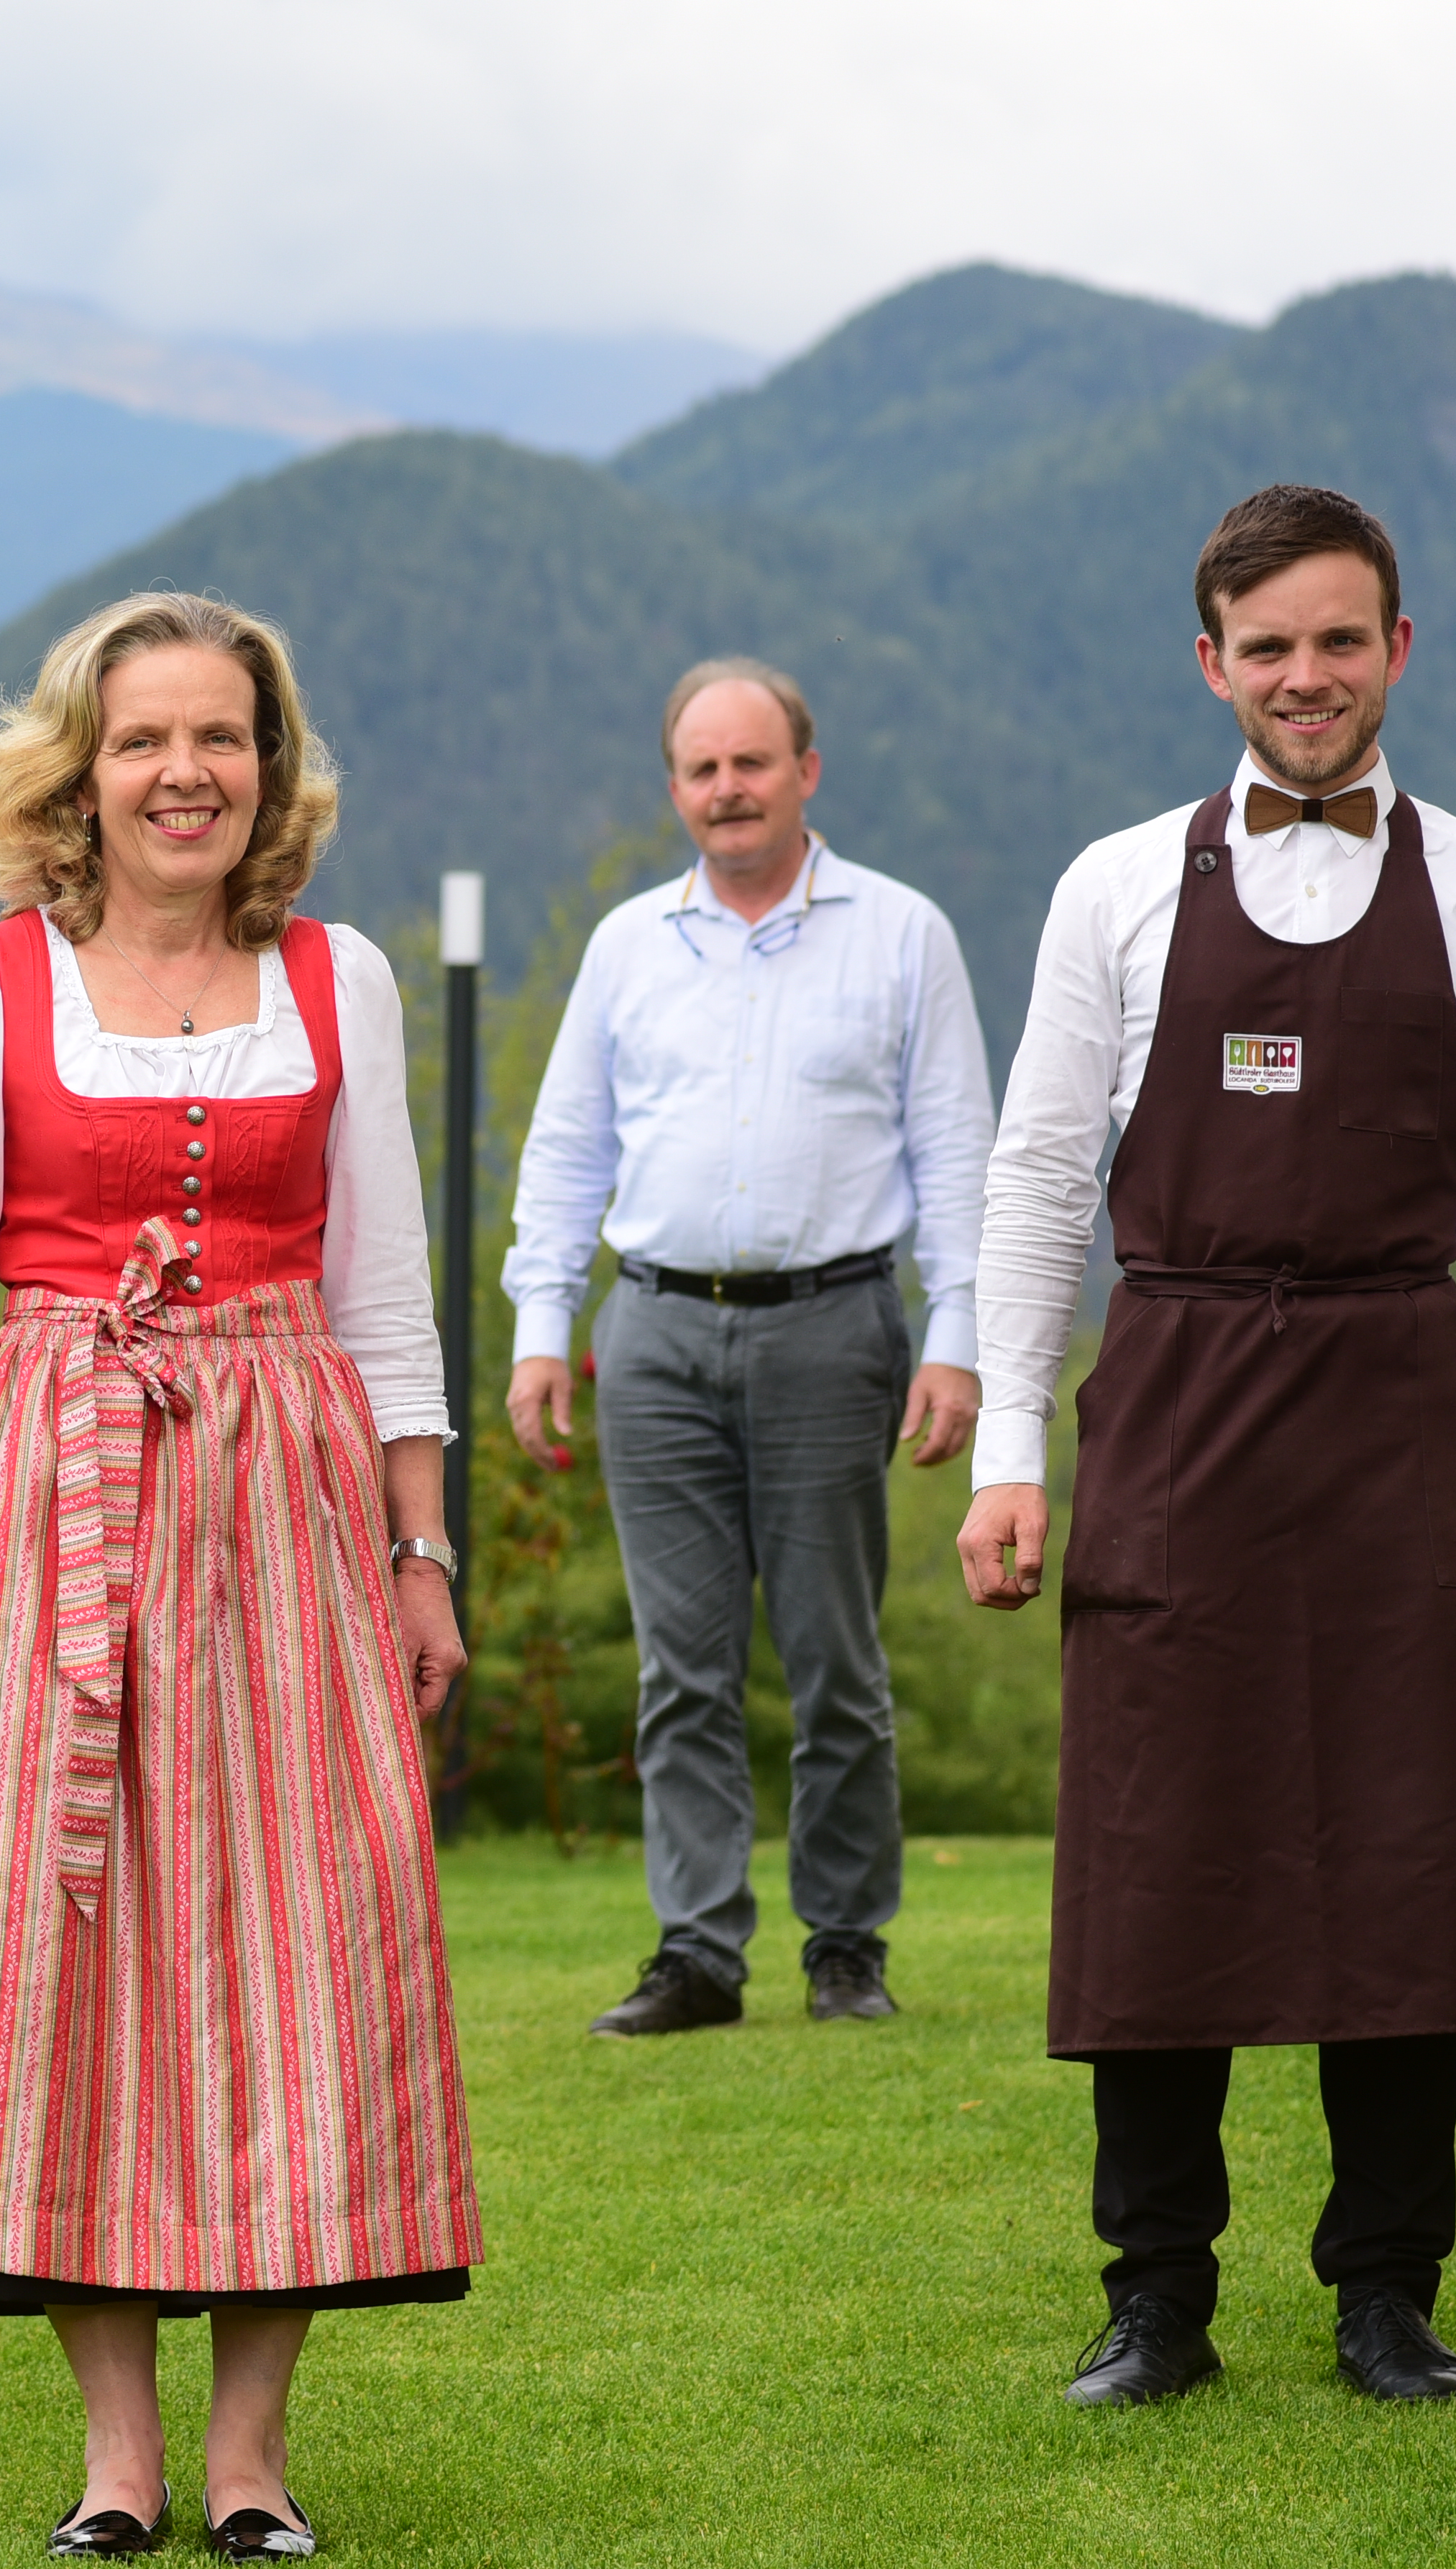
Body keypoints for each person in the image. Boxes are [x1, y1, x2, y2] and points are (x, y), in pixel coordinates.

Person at [0, 590, 481, 2564]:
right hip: (51, 1489)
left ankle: (251, 2455)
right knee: (63, 1950)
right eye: (144, 740)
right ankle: (119, 2456)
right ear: (78, 774)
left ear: (269, 767)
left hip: (287, 1497)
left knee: (303, 1941)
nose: (186, 773)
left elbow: (385, 1302)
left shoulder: (338, 979)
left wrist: (420, 1550)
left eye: (221, 738)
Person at [957, 482, 1456, 2409]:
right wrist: (1007, 1447)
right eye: (1266, 646)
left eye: (1336, 640)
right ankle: (1155, 2298)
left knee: (1403, 1849)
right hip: (1177, 1393)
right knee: (1160, 1852)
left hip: (1399, 1404)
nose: (1303, 677)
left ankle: (1387, 2291)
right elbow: (1036, 1178)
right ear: (1209, 662)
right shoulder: (1111, 888)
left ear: (1395, 649)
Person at [502, 658, 995, 2035]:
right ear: (675, 789)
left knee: (835, 1661)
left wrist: (958, 1339)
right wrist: (543, 1327)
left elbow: (957, 1152)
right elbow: (568, 1150)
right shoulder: (628, 947)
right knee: (682, 1670)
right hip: (653, 1332)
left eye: (752, 763)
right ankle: (698, 1956)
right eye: (703, 769)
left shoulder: (901, 935)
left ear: (805, 772)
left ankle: (846, 1947)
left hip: (834, 1329)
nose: (728, 789)